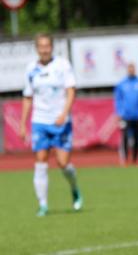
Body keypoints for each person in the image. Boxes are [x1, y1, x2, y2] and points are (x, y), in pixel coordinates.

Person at [18, 33, 83, 217]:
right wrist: (23, 124)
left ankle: (74, 187)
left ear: (52, 47)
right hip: (40, 121)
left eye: (47, 46)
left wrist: (64, 113)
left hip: (60, 121)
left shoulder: (62, 65)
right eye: (41, 46)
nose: (44, 49)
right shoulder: (31, 69)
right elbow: (28, 97)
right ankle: (43, 204)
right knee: (40, 161)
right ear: (37, 48)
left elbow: (71, 90)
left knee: (63, 163)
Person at [114, 63, 138, 165]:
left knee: (137, 138)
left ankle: (135, 159)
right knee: (125, 137)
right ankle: (125, 159)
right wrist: (119, 112)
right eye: (129, 69)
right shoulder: (121, 84)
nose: (131, 70)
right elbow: (118, 100)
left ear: (135, 70)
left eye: (133, 68)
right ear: (127, 70)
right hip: (125, 116)